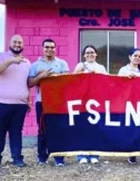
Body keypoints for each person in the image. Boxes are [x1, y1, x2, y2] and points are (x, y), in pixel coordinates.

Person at [28, 38, 69, 166]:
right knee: (42, 129)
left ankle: (59, 158)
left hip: (58, 102)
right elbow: (30, 83)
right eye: (47, 47)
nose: (49, 49)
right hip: (42, 101)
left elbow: (67, 81)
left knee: (59, 129)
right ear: (42, 48)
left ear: (55, 49)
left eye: (52, 47)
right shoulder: (35, 65)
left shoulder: (62, 63)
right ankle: (42, 157)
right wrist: (41, 76)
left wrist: (50, 77)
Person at [0, 35, 31, 167]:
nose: (17, 44)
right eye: (15, 42)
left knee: (16, 132)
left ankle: (17, 158)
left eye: (20, 42)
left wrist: (28, 100)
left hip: (20, 104)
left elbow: (26, 83)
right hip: (3, 103)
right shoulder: (2, 57)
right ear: (9, 43)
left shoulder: (27, 62)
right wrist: (11, 61)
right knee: (0, 131)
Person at [74, 45, 107, 164]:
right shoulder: (80, 65)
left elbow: (106, 82)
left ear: (96, 54)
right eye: (87, 53)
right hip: (82, 100)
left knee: (95, 128)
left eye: (92, 52)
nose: (90, 54)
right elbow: (72, 80)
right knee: (82, 128)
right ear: (84, 55)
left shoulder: (101, 67)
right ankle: (82, 155)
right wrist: (80, 72)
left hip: (96, 101)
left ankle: (94, 155)